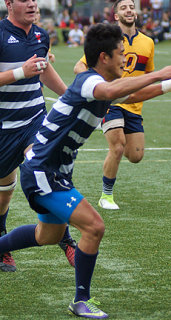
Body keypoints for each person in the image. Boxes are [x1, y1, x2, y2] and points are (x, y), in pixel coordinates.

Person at [0, 22, 171, 318]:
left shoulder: (99, 87)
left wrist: (170, 86)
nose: (125, 61)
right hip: (43, 173)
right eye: (120, 54)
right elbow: (112, 89)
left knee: (46, 236)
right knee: (94, 227)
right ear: (104, 58)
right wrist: (159, 73)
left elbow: (129, 96)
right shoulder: (90, 82)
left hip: (53, 171)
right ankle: (81, 300)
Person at [0, 0, 76, 272]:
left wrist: (71, 98)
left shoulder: (41, 35)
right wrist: (21, 71)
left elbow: (44, 71)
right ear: (9, 4)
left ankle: (66, 239)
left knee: (45, 169)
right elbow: (29, 70)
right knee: (3, 194)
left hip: (35, 120)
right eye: (24, 0)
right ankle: (2, 243)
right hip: (3, 129)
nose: (32, 3)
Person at [74, 0, 158, 210]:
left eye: (131, 6)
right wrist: (99, 87)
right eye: (123, 8)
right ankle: (106, 196)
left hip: (133, 104)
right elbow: (80, 66)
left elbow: (148, 76)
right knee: (118, 145)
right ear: (116, 16)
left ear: (136, 13)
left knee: (136, 155)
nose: (129, 10)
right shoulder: (107, 40)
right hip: (110, 102)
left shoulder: (148, 42)